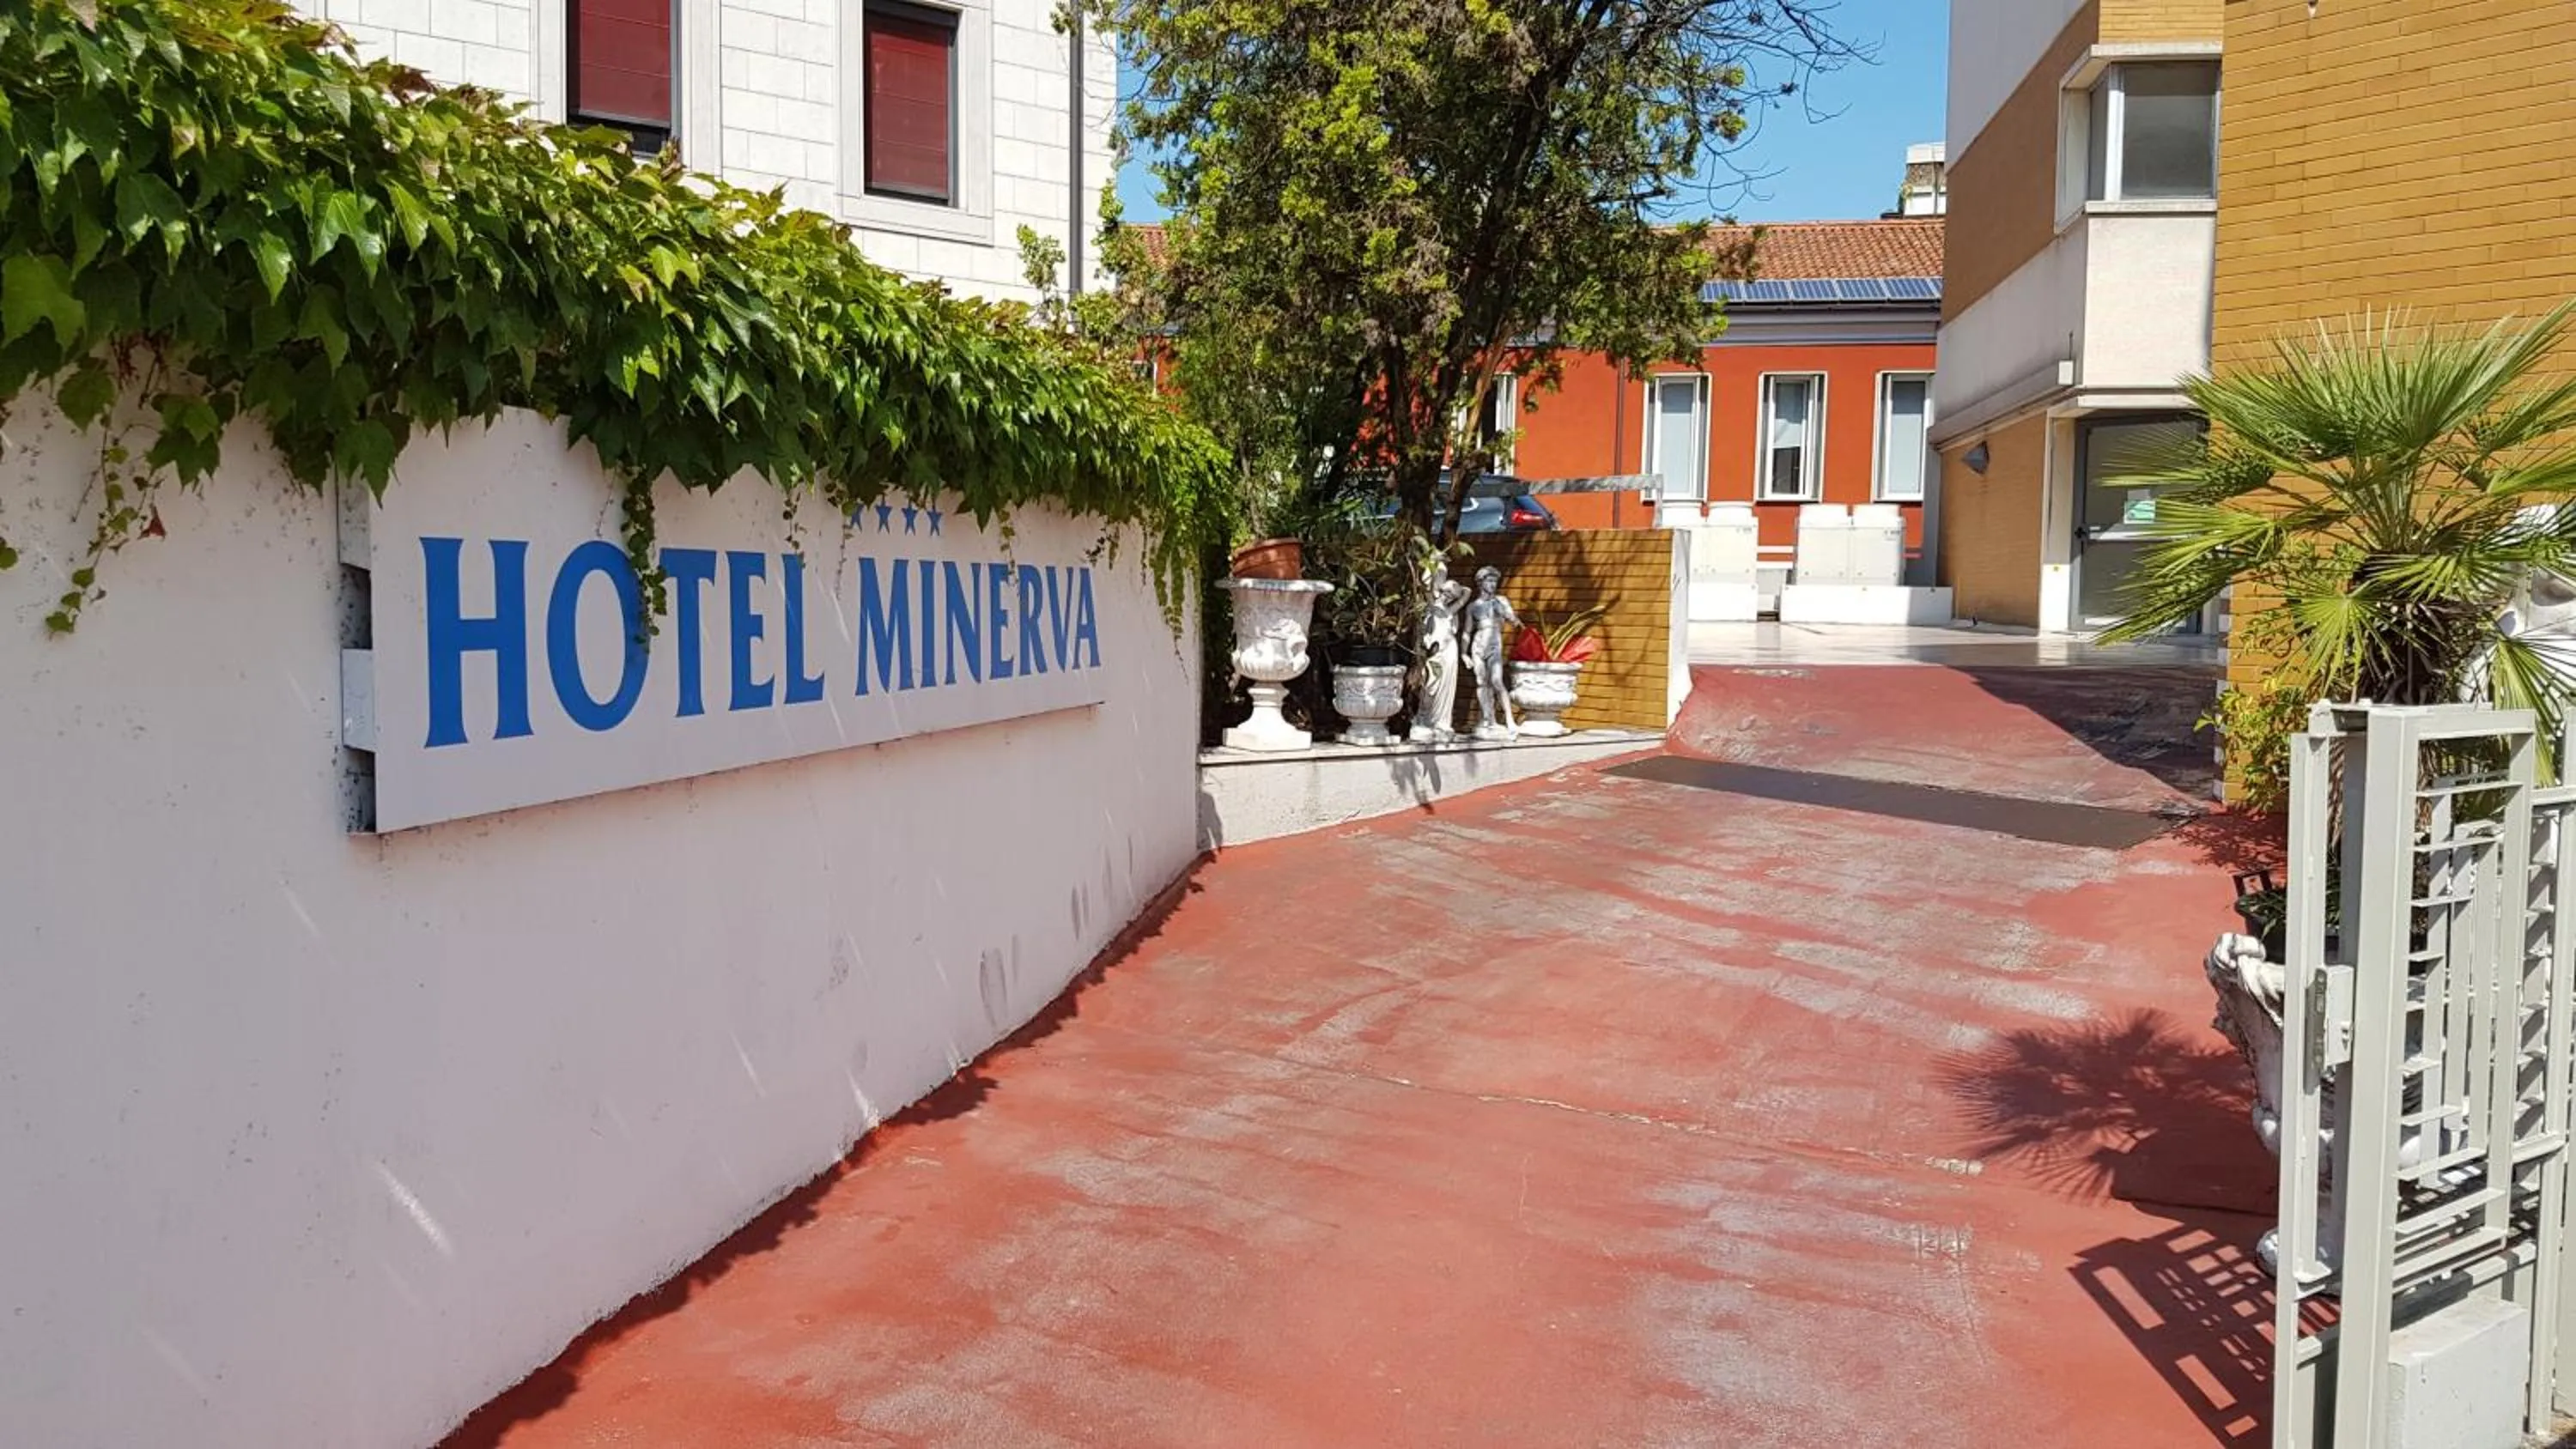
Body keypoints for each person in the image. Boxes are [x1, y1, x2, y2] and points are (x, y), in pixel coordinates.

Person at [1413, 561, 1470, 739]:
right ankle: (1423, 718)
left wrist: (1456, 590)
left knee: (1446, 688)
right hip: (1433, 653)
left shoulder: (1449, 611)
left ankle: (1441, 722)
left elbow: (1468, 592)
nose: (1447, 596)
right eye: (1445, 592)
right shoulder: (1430, 605)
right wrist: (1436, 569)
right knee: (1429, 686)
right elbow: (1425, 587)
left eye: (1450, 595)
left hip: (1450, 651)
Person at [1464, 565, 1520, 739]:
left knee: (1496, 681)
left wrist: (1502, 612)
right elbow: (1467, 631)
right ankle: (1488, 719)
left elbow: (1515, 621)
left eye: (1495, 581)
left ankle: (1510, 720)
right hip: (1478, 644)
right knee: (1482, 682)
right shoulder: (1473, 606)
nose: (1493, 584)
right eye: (1489, 580)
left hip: (1495, 642)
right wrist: (1464, 654)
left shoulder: (1501, 601)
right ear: (1481, 583)